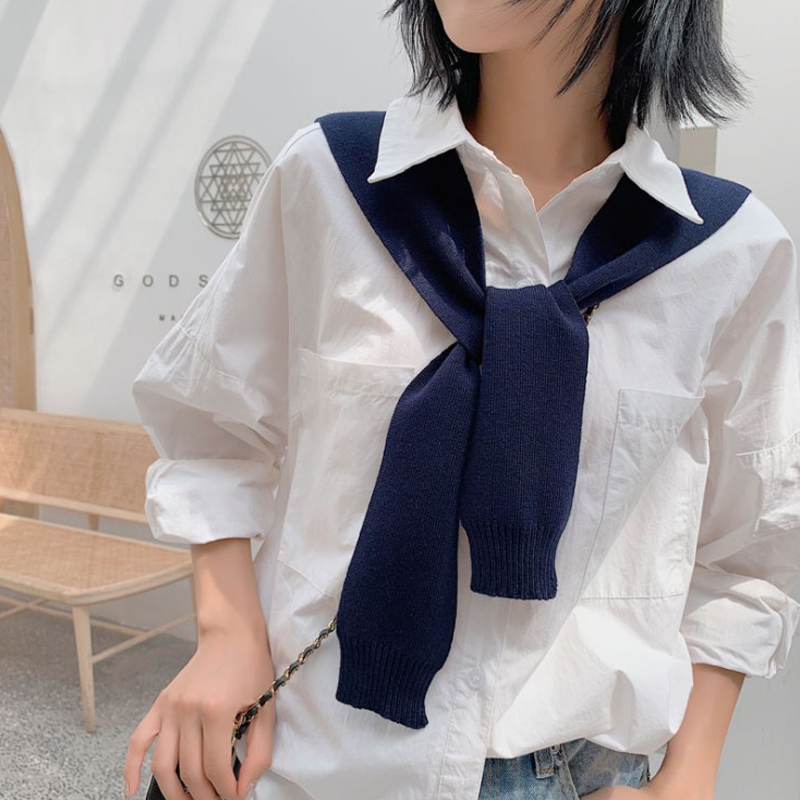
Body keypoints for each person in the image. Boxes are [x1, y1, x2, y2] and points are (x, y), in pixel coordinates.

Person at [123, 1, 800, 799]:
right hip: (313, 756)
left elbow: (749, 548)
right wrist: (225, 634)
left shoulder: (728, 254)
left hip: (573, 773)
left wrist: (689, 775)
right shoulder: (330, 180)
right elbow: (213, 430)